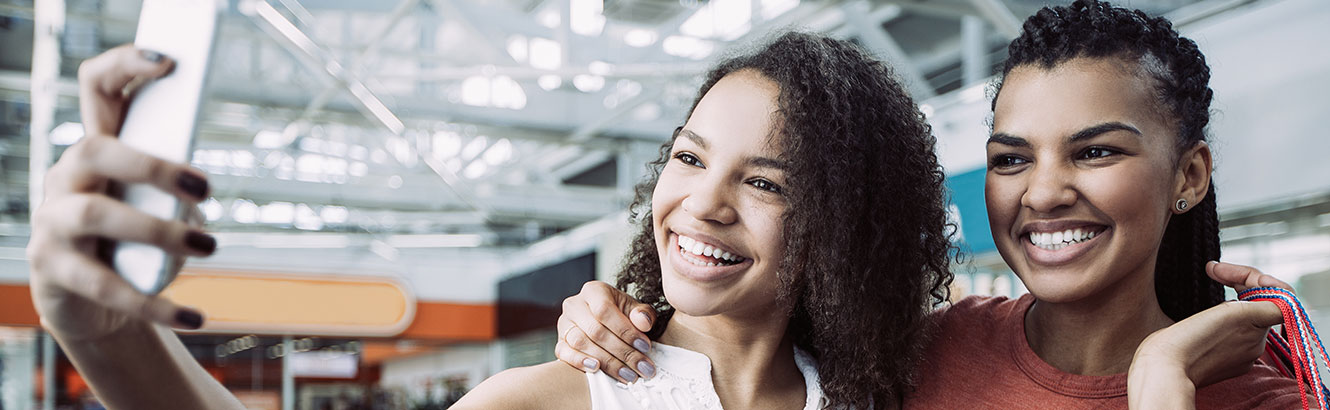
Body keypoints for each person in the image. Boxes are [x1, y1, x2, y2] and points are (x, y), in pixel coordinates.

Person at [25, 32, 955, 409]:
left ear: (847, 225)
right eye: (688, 155)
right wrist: (109, 340)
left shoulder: (871, 392)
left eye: (768, 183)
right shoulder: (555, 399)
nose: (702, 203)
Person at [550, 1, 1306, 408]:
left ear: (1190, 176)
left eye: (1096, 150)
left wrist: (1161, 384)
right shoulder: (916, 359)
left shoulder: (1258, 403)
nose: (1042, 191)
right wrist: (608, 317)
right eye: (1011, 159)